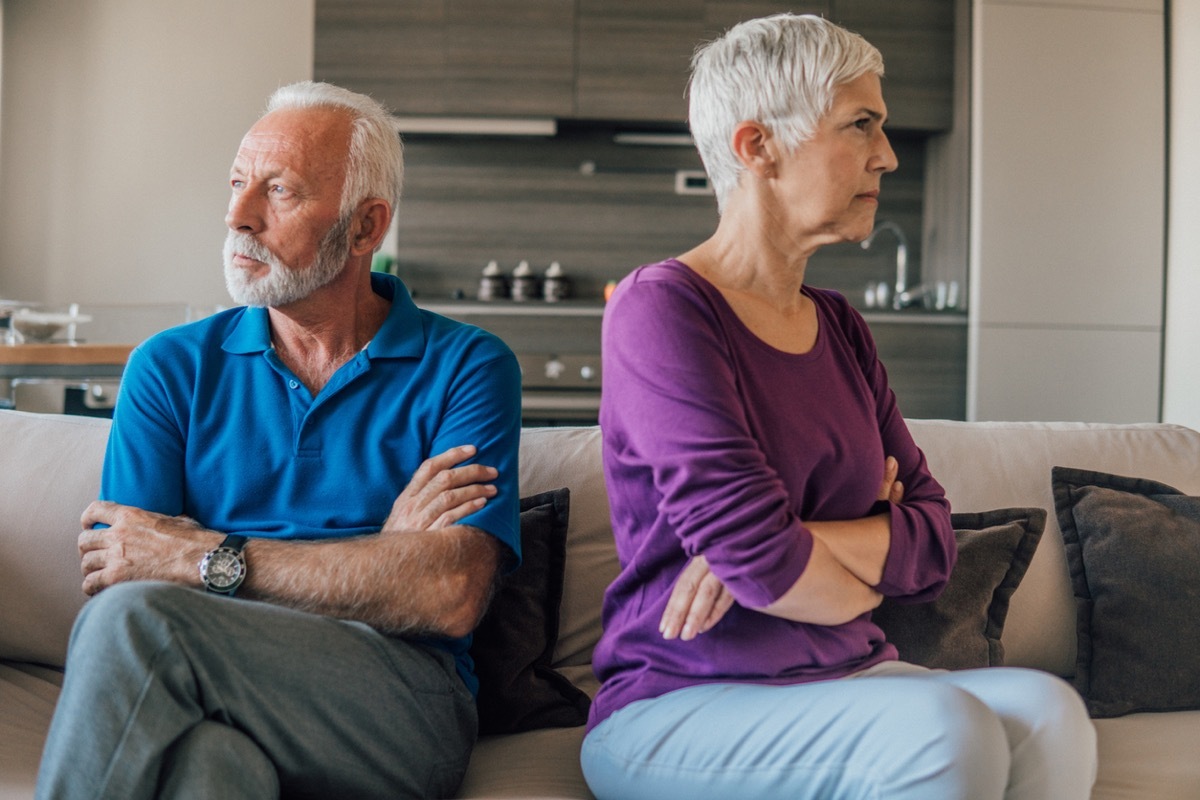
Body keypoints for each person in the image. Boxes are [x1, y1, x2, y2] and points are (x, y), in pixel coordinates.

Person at [581, 14, 1097, 800]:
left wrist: (804, 538)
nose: (886, 155)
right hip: (682, 698)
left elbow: (930, 543)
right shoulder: (663, 308)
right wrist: (846, 559)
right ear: (758, 148)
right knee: (946, 729)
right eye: (861, 125)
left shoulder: (841, 326)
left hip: (848, 675)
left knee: (1049, 712)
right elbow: (760, 560)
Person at [35, 81, 522, 800]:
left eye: (280, 192)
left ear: (364, 228)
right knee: (210, 772)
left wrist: (203, 555)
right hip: (221, 693)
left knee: (142, 627)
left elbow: (448, 592)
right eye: (236, 184)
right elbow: (129, 574)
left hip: (397, 703)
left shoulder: (469, 366)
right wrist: (382, 561)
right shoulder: (169, 368)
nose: (238, 217)